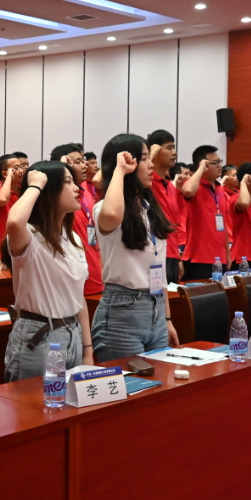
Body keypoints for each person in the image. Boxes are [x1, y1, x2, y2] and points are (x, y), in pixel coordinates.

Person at [90, 134, 179, 363]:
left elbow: (158, 270)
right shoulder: (103, 208)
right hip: (122, 311)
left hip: (156, 308)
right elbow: (112, 213)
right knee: (129, 382)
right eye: (144, 159)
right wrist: (119, 170)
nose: (151, 165)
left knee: (160, 379)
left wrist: (167, 319)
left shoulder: (149, 209)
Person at [3, 162, 94, 380]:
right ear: (48, 190)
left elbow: (77, 295)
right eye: (68, 182)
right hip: (39, 335)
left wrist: (87, 349)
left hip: (72, 332)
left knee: (70, 401)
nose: (77, 188)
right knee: (34, 401)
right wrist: (36, 184)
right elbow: (14, 221)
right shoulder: (29, 235)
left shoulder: (72, 237)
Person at [50, 143, 103, 296]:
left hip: (96, 272)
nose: (84, 165)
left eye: (83, 160)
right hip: (75, 279)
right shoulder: (59, 196)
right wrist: (62, 169)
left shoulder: (85, 191)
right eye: (78, 162)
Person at [180, 145, 229, 280]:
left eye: (220, 161)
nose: (219, 166)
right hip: (199, 258)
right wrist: (201, 168)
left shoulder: (220, 189)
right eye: (214, 163)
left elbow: (223, 226)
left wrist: (228, 256)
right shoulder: (195, 186)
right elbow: (188, 191)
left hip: (220, 258)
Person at [146, 130, 185, 282]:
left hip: (172, 255)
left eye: (174, 147)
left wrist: (178, 257)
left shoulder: (169, 185)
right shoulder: (147, 182)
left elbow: (174, 224)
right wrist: (149, 155)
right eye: (169, 148)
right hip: (154, 254)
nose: (174, 153)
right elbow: (132, 179)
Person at [0, 153, 24, 267]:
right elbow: (3, 200)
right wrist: (9, 176)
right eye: (16, 168)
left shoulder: (24, 192)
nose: (21, 170)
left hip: (23, 252)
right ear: (5, 173)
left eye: (21, 167)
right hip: (2, 253)